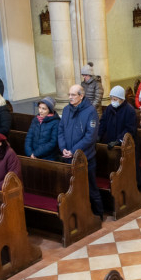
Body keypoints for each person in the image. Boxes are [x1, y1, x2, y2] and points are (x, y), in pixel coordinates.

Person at [59, 84, 104, 217]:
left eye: (73, 95)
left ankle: (98, 214)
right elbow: (60, 130)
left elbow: (90, 137)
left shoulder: (90, 111)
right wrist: (63, 148)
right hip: (68, 157)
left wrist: (73, 150)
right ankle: (79, 215)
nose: (70, 97)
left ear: (81, 96)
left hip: (85, 158)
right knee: (72, 189)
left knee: (91, 187)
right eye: (69, 94)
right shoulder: (66, 110)